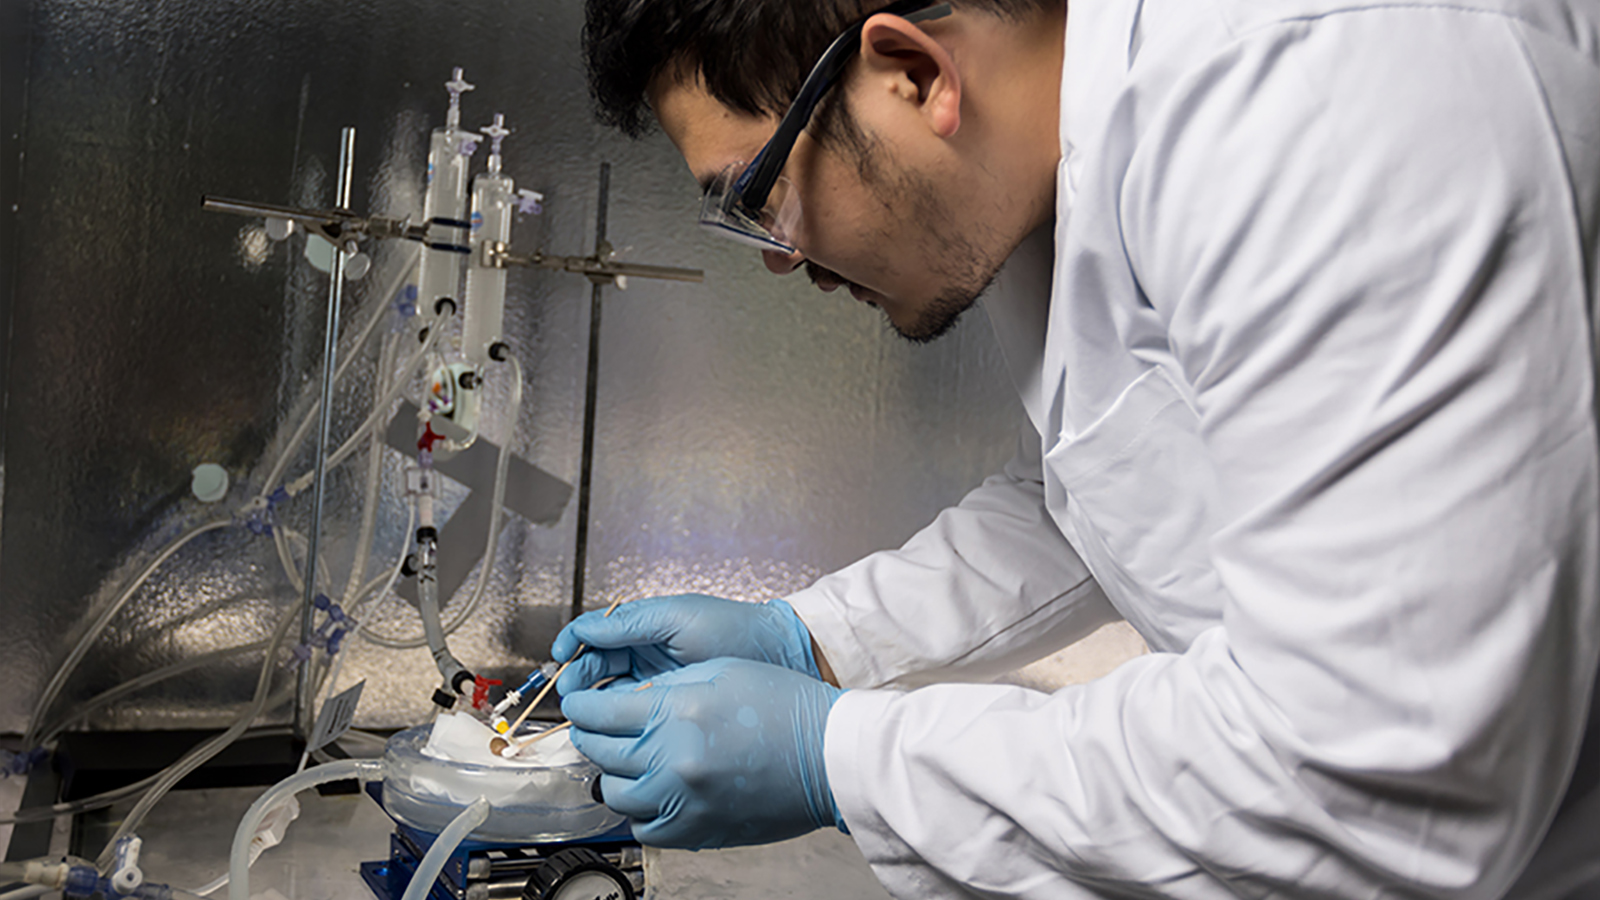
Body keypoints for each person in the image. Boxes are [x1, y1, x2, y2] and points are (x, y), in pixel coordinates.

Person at [549, 0, 1600, 895]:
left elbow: (1372, 773)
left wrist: (837, 758)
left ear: (912, 73)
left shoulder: (1314, 95)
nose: (779, 259)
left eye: (755, 196)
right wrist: (805, 639)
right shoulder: (1063, 144)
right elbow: (1113, 478)